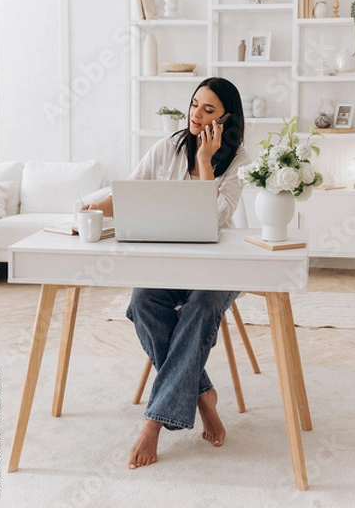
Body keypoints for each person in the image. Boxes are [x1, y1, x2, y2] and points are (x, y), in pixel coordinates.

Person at [88, 77, 249, 469]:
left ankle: (154, 422)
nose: (196, 115)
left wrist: (206, 163)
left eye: (208, 110)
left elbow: (215, 220)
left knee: (200, 308)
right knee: (142, 301)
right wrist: (87, 211)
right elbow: (129, 192)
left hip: (218, 271)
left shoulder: (240, 162)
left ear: (227, 118)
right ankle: (201, 395)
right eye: (194, 105)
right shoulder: (167, 147)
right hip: (167, 265)